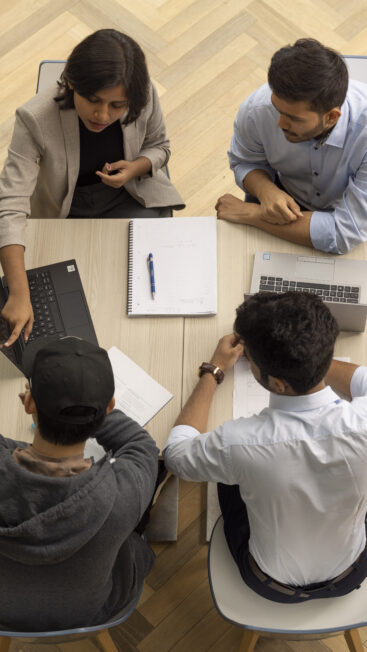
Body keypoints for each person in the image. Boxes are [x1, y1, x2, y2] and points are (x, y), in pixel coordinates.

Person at [164, 292, 367, 603]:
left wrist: (214, 369)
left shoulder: (239, 442)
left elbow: (177, 456)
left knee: (229, 478)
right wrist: (308, 360)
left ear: (277, 383)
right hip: (352, 569)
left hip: (272, 583)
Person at [0, 28, 184, 347]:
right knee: (67, 294)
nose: (102, 115)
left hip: (129, 197)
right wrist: (18, 292)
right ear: (72, 84)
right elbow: (10, 206)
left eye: (117, 106)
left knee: (135, 291)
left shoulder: (143, 94)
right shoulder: (34, 118)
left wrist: (136, 168)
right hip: (64, 209)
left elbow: (160, 147)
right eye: (93, 100)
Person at [0, 336, 159, 630]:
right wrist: (90, 411)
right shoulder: (123, 492)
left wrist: (50, 407)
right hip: (85, 613)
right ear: (110, 407)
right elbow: (140, 444)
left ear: (29, 403)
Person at [216, 39, 367, 256]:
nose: (280, 124)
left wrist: (253, 214)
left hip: (347, 212)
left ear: (331, 117)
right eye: (278, 109)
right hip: (280, 199)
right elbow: (245, 161)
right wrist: (265, 190)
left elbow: (344, 232)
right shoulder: (256, 110)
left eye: (293, 118)